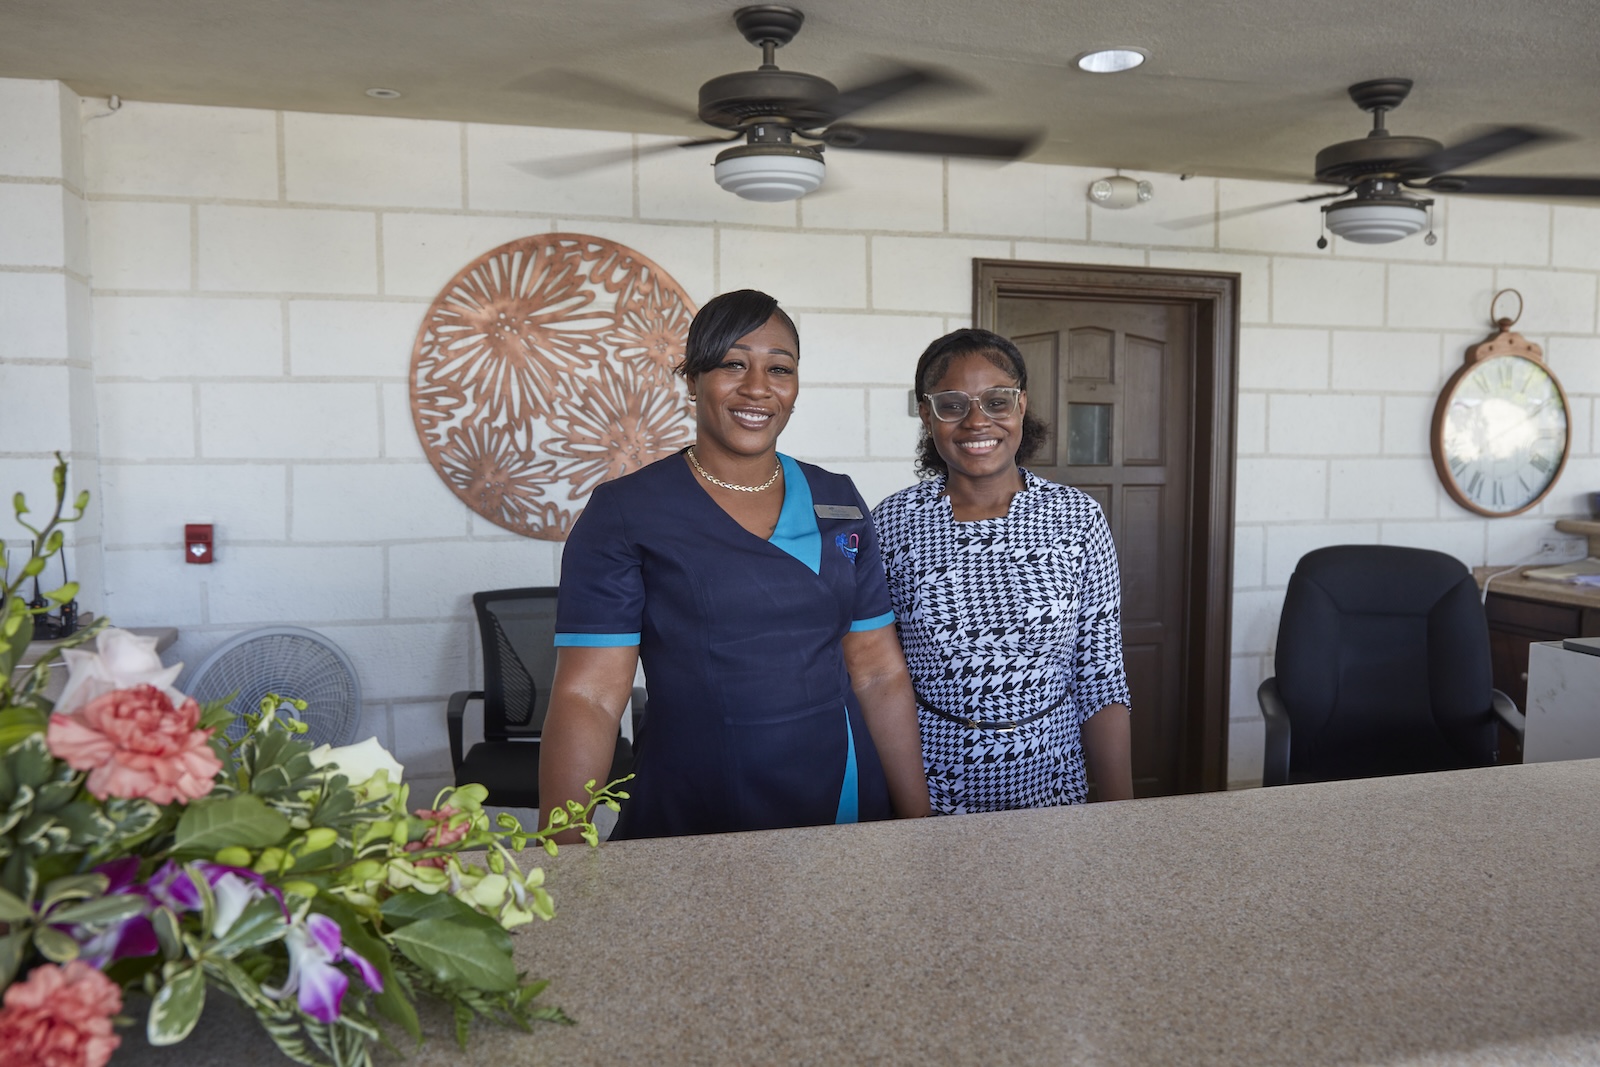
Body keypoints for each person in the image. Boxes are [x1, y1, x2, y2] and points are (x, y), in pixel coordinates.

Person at [539, 289, 931, 840]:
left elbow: (878, 671)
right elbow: (592, 696)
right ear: (693, 379)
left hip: (842, 796)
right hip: (696, 800)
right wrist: (560, 845)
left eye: (779, 368)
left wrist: (918, 824)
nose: (757, 388)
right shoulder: (628, 512)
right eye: (732, 364)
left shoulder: (837, 498)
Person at [872, 328, 1133, 814]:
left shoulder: (1076, 518)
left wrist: (1121, 816)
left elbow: (1101, 673)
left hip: (1053, 784)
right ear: (927, 415)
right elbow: (881, 677)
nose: (977, 421)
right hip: (934, 783)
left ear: (1021, 405)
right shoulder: (892, 523)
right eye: (952, 405)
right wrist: (913, 815)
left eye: (996, 401)